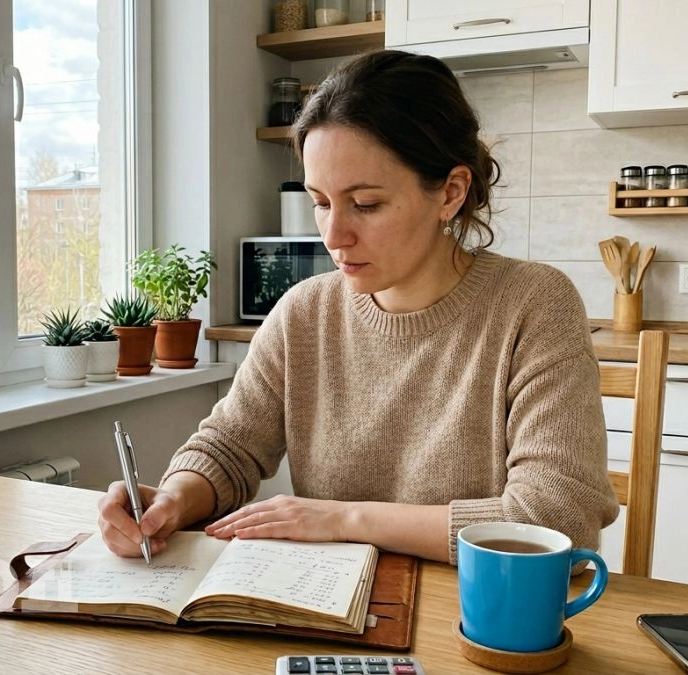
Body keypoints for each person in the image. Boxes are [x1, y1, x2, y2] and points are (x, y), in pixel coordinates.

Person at [98, 49, 619, 566]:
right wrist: (172, 499)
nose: (333, 235)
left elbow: (556, 518)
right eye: (320, 202)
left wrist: (341, 519)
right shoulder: (304, 311)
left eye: (365, 204)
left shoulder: (533, 304)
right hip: (327, 610)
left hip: (472, 618)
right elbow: (228, 449)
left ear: (451, 193)